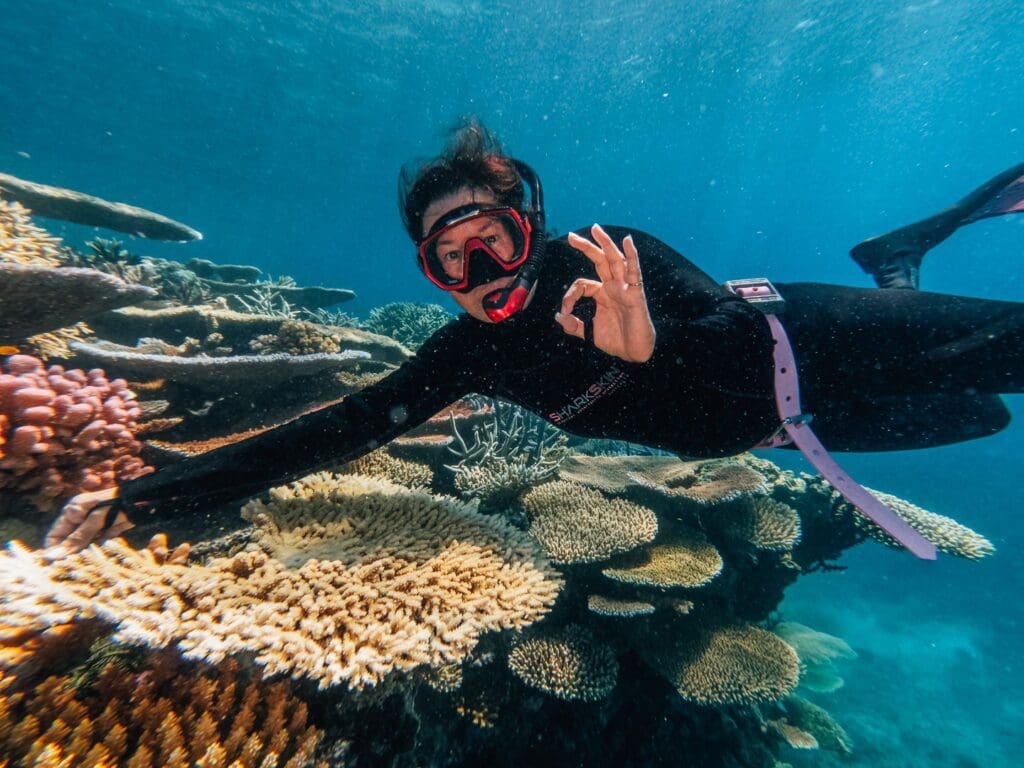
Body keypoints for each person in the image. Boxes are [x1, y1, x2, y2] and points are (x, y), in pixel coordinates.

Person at [46, 122, 1024, 558]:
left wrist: (654, 349)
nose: (484, 279)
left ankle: (894, 271)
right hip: (783, 430)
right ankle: (899, 255)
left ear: (536, 226)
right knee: (978, 417)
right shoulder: (467, 354)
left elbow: (733, 351)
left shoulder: (613, 257)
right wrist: (149, 497)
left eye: (498, 243)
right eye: (451, 262)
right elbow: (336, 431)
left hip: (801, 339)